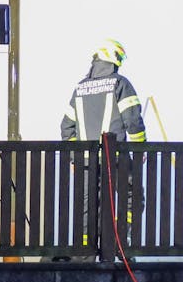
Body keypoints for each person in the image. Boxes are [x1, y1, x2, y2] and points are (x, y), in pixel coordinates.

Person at [61, 41, 147, 228]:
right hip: (114, 158)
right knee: (132, 197)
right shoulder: (120, 83)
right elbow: (132, 121)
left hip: (87, 162)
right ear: (112, 57)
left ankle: (88, 251)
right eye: (120, 58)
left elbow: (66, 127)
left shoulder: (80, 89)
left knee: (89, 206)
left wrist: (76, 158)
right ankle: (121, 241)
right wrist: (140, 149)